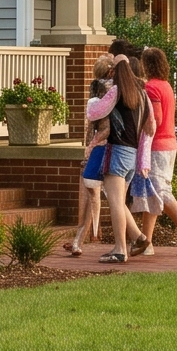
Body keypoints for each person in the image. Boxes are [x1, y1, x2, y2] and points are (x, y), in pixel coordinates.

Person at [138, 47, 177, 257]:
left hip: (157, 146)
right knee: (153, 192)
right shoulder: (165, 86)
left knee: (160, 191)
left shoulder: (151, 88)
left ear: (147, 65)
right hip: (169, 143)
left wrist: (138, 132)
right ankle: (146, 242)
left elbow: (154, 120)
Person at [102, 53, 150, 263]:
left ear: (114, 71)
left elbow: (95, 113)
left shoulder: (116, 92)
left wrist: (95, 99)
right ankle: (139, 237)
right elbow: (151, 125)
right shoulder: (142, 94)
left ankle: (120, 249)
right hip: (132, 153)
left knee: (115, 203)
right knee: (120, 201)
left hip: (117, 152)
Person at [67, 66, 118, 258]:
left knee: (92, 196)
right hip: (114, 149)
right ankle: (130, 240)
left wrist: (88, 148)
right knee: (113, 199)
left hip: (102, 149)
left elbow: (94, 128)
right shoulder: (113, 90)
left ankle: (79, 240)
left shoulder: (99, 92)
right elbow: (99, 127)